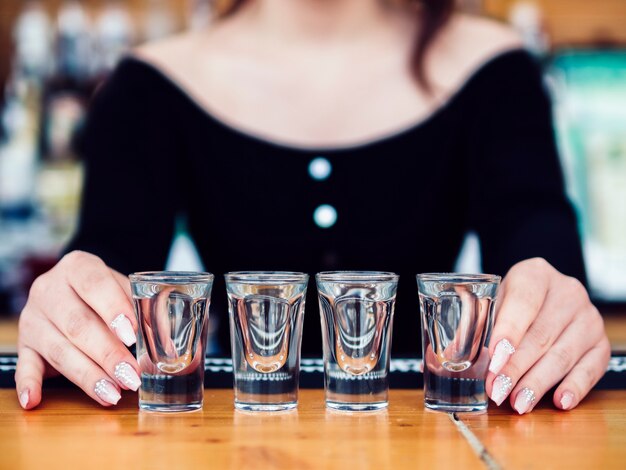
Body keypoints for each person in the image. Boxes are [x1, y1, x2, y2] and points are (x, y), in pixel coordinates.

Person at [15, 0, 609, 414]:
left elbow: (539, 236)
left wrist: (554, 297)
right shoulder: (146, 85)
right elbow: (106, 254)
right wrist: (72, 297)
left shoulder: (496, 70)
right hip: (230, 440)